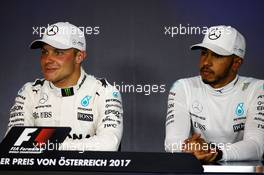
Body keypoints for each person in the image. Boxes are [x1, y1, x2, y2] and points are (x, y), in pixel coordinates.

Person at [7, 22, 123, 151]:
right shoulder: (29, 92)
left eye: (58, 52)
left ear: (79, 57)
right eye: (45, 52)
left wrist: (50, 145)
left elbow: (109, 144)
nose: (47, 60)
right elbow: (14, 143)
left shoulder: (104, 92)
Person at [165, 25, 264, 162]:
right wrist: (188, 149)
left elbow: (256, 146)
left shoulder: (258, 89)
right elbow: (172, 142)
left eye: (217, 55)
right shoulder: (183, 87)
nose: (206, 62)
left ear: (236, 63)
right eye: (204, 53)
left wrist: (214, 151)